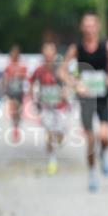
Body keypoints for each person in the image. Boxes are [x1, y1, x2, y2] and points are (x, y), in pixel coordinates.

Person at [61, 12, 108, 192]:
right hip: (86, 98)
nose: (89, 28)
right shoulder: (76, 48)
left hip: (102, 96)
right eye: (85, 25)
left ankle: (104, 154)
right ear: (82, 28)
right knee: (90, 139)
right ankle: (93, 172)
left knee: (104, 136)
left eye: (92, 25)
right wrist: (74, 83)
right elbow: (62, 71)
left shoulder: (107, 46)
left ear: (97, 27)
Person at [30, 42, 68, 174]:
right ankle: (52, 159)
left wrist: (65, 92)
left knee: (60, 135)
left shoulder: (60, 69)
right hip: (46, 107)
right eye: (46, 52)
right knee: (49, 133)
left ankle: (60, 138)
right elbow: (31, 83)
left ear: (55, 53)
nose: (48, 55)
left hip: (60, 106)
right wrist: (34, 98)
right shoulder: (39, 70)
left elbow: (68, 83)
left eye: (51, 52)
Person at [2, 45, 28, 143]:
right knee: (13, 109)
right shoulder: (8, 66)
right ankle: (15, 128)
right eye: (13, 53)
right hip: (11, 91)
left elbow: (25, 78)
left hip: (19, 92)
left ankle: (16, 125)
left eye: (16, 53)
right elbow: (5, 79)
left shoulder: (22, 66)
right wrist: (5, 89)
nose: (14, 55)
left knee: (18, 111)